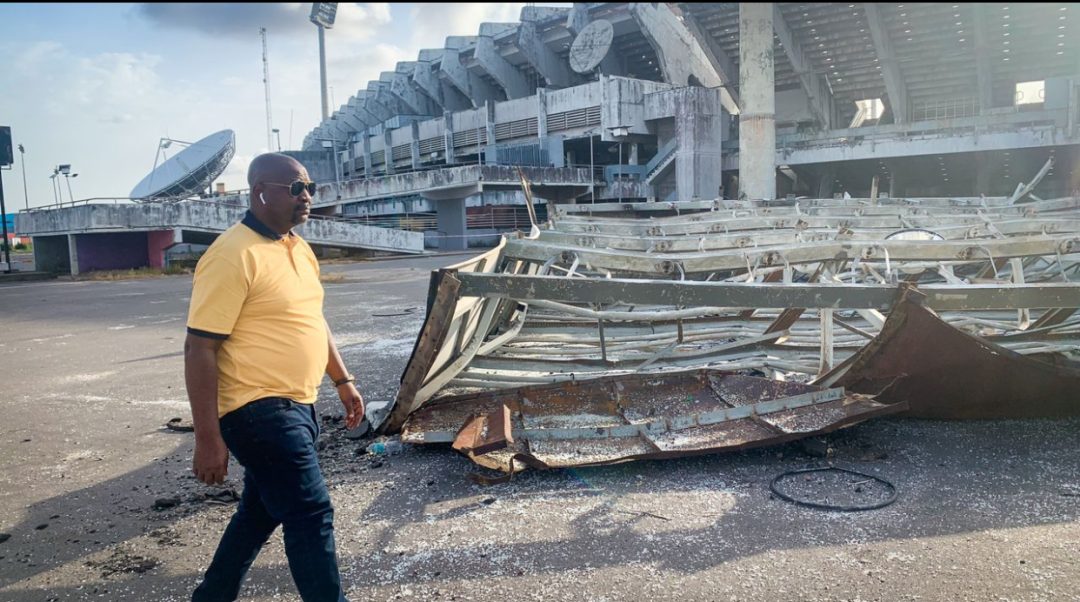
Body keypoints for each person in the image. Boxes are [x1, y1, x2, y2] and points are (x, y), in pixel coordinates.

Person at [184, 153, 363, 601]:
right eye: (296, 188)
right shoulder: (231, 254)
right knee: (310, 512)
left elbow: (312, 320)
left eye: (310, 188)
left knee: (258, 512)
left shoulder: (298, 248)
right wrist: (208, 437)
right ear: (260, 191)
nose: (307, 197)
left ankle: (211, 596)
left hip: (298, 405)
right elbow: (199, 348)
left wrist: (343, 381)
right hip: (256, 410)